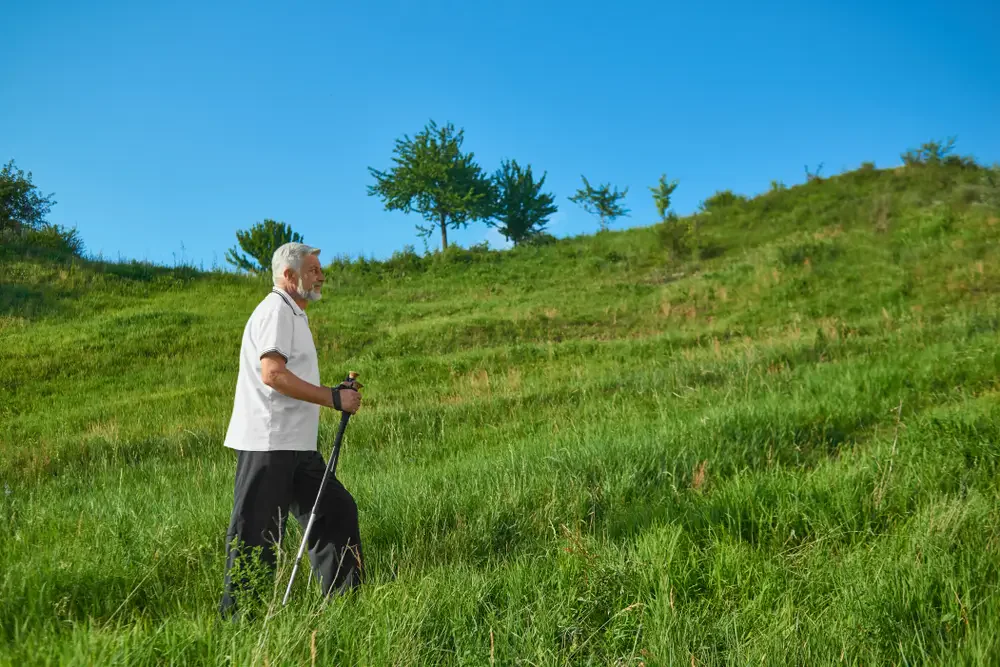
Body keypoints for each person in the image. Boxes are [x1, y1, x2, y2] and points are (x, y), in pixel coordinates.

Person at [218, 242, 363, 619]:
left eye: (319, 269)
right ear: (289, 275)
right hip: (268, 443)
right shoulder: (276, 310)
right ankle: (240, 622)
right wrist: (332, 399)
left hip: (296, 446)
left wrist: (334, 392)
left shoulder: (296, 314)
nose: (321, 275)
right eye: (313, 269)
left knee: (336, 510)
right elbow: (273, 374)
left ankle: (346, 606)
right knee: (257, 536)